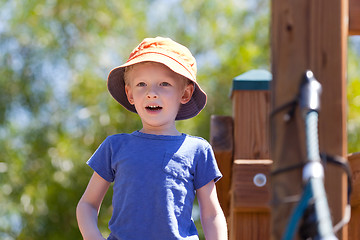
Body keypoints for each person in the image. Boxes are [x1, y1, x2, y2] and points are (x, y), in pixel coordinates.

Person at [76, 37, 228, 240]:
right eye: (141, 84)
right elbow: (87, 204)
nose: (151, 93)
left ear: (185, 93)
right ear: (130, 94)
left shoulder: (198, 150)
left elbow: (211, 214)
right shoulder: (115, 146)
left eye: (164, 83)